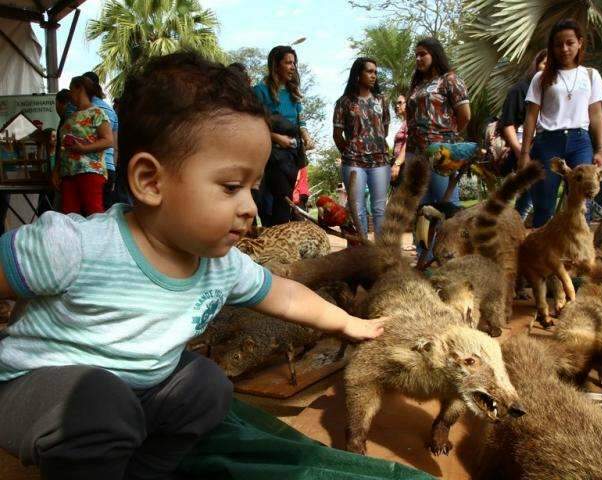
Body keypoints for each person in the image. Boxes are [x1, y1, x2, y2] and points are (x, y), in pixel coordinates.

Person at [0, 52, 384, 480]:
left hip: (135, 392)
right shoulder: (73, 245)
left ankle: (144, 470)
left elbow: (285, 293)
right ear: (150, 181)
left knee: (207, 387)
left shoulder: (219, 264)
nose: (249, 207)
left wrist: (349, 324)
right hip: (37, 389)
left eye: (253, 188)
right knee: (102, 407)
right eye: (232, 187)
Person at [520, 19, 602, 227]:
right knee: (544, 203)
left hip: (580, 142)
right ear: (552, 48)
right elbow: (531, 116)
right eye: (558, 45)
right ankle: (541, 255)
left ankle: (579, 257)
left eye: (569, 42)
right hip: (548, 142)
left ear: (580, 42)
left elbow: (596, 114)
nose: (564, 49)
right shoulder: (541, 78)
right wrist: (524, 154)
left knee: (581, 203)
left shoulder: (591, 75)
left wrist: (600, 149)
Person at [406, 37, 471, 207]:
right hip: (415, 153)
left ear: (435, 54)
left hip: (440, 151)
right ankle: (422, 236)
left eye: (422, 54)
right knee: (420, 206)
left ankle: (448, 235)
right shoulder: (417, 85)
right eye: (416, 55)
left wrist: (447, 139)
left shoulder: (450, 80)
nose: (418, 58)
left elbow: (465, 116)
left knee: (446, 203)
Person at [253, 45, 314, 226]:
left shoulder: (293, 92)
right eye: (288, 62)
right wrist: (276, 138)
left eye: (294, 63)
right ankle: (273, 239)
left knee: (284, 201)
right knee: (271, 202)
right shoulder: (259, 91)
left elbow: (300, 121)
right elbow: (253, 123)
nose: (293, 67)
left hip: (291, 156)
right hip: (269, 155)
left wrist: (306, 136)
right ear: (275, 65)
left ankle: (278, 241)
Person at [333, 57, 390, 235]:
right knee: (357, 209)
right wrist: (350, 152)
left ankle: (381, 255)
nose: (374, 76)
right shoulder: (344, 102)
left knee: (380, 209)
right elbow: (337, 135)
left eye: (375, 72)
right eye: (369, 71)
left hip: (380, 161)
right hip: (354, 162)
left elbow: (384, 130)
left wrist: (374, 144)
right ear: (358, 74)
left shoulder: (382, 100)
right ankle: (363, 252)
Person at [499, 49, 547, 219]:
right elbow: (507, 124)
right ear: (536, 65)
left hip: (547, 146)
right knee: (527, 195)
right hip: (523, 148)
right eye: (543, 63)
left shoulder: (556, 91)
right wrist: (520, 150)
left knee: (537, 194)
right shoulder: (520, 90)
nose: (547, 67)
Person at [59, 75, 113, 216]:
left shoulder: (96, 113)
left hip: (90, 170)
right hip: (68, 172)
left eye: (71, 90)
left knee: (93, 212)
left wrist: (84, 149)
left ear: (80, 89)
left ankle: (98, 238)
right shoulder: (71, 116)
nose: (70, 94)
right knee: (69, 216)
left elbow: (108, 140)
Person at [82, 71, 121, 209]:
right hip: (109, 168)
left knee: (86, 216)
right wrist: (113, 170)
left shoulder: (79, 109)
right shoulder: (110, 110)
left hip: (88, 168)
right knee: (105, 215)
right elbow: (115, 147)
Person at [390, 94, 408, 189]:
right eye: (396, 103)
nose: (397, 106)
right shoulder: (404, 123)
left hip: (405, 167)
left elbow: (408, 143)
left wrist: (397, 164)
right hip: (400, 168)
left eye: (400, 103)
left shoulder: (410, 122)